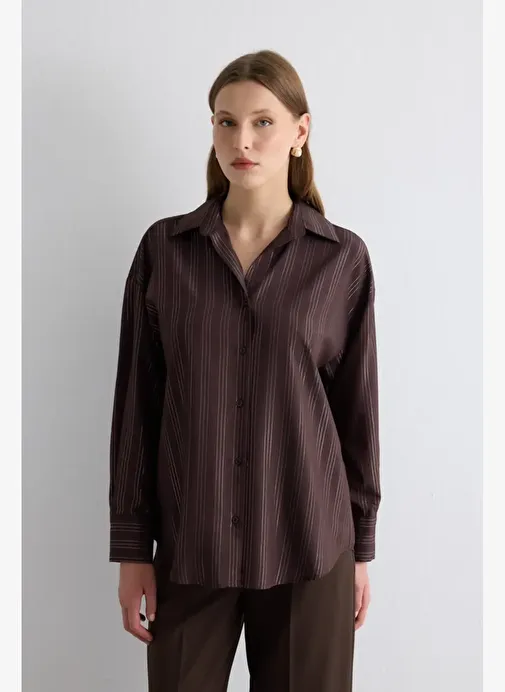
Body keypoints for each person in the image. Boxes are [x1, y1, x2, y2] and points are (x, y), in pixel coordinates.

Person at [108, 49, 381, 692]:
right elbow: (137, 406)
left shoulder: (341, 259)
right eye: (226, 122)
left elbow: (357, 415)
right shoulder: (165, 251)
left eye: (263, 122)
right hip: (190, 546)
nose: (242, 141)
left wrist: (361, 549)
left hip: (311, 548)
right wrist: (132, 548)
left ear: (300, 132)